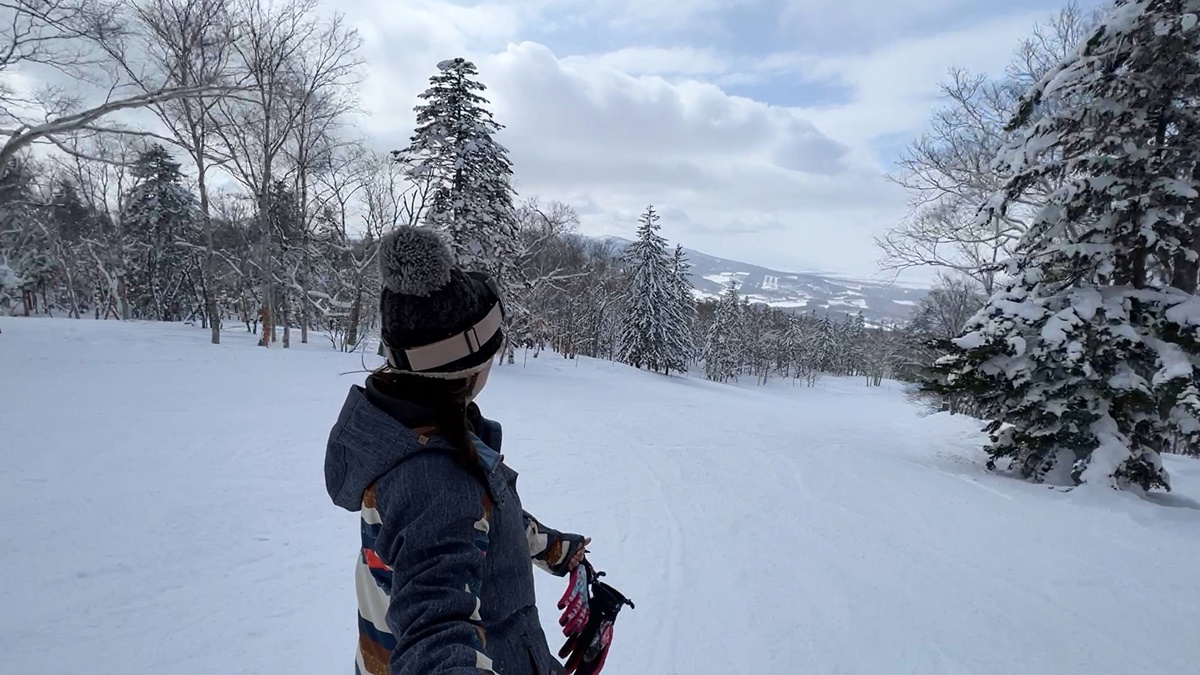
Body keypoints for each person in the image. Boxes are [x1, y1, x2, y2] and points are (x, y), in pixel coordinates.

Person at [325, 226, 590, 675]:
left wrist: (552, 548)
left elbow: (474, 525)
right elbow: (437, 629)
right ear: (468, 367)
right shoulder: (436, 479)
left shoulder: (400, 434)